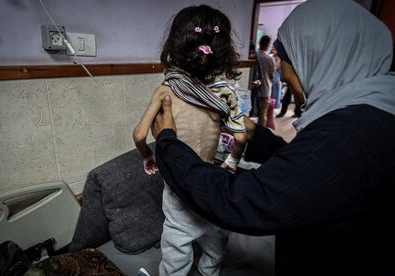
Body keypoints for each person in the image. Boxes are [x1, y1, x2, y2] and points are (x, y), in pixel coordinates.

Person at [151, 0, 395, 275]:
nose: (278, 71)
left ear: (317, 55)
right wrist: (255, 134)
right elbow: (308, 165)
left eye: (283, 58)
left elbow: (243, 200)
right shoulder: (374, 110)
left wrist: (167, 144)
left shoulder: (351, 134)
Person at [132, 5, 253, 276]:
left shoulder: (167, 90)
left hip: (180, 188)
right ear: (221, 53)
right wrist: (232, 162)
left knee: (176, 245)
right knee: (215, 242)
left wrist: (146, 156)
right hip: (210, 182)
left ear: (175, 46)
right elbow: (241, 137)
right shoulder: (222, 95)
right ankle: (209, 271)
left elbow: (140, 134)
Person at [251, 35, 275, 127]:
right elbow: (271, 76)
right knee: (263, 113)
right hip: (265, 90)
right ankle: (261, 133)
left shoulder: (254, 56)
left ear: (260, 43)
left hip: (254, 88)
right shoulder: (269, 59)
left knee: (252, 111)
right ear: (268, 45)